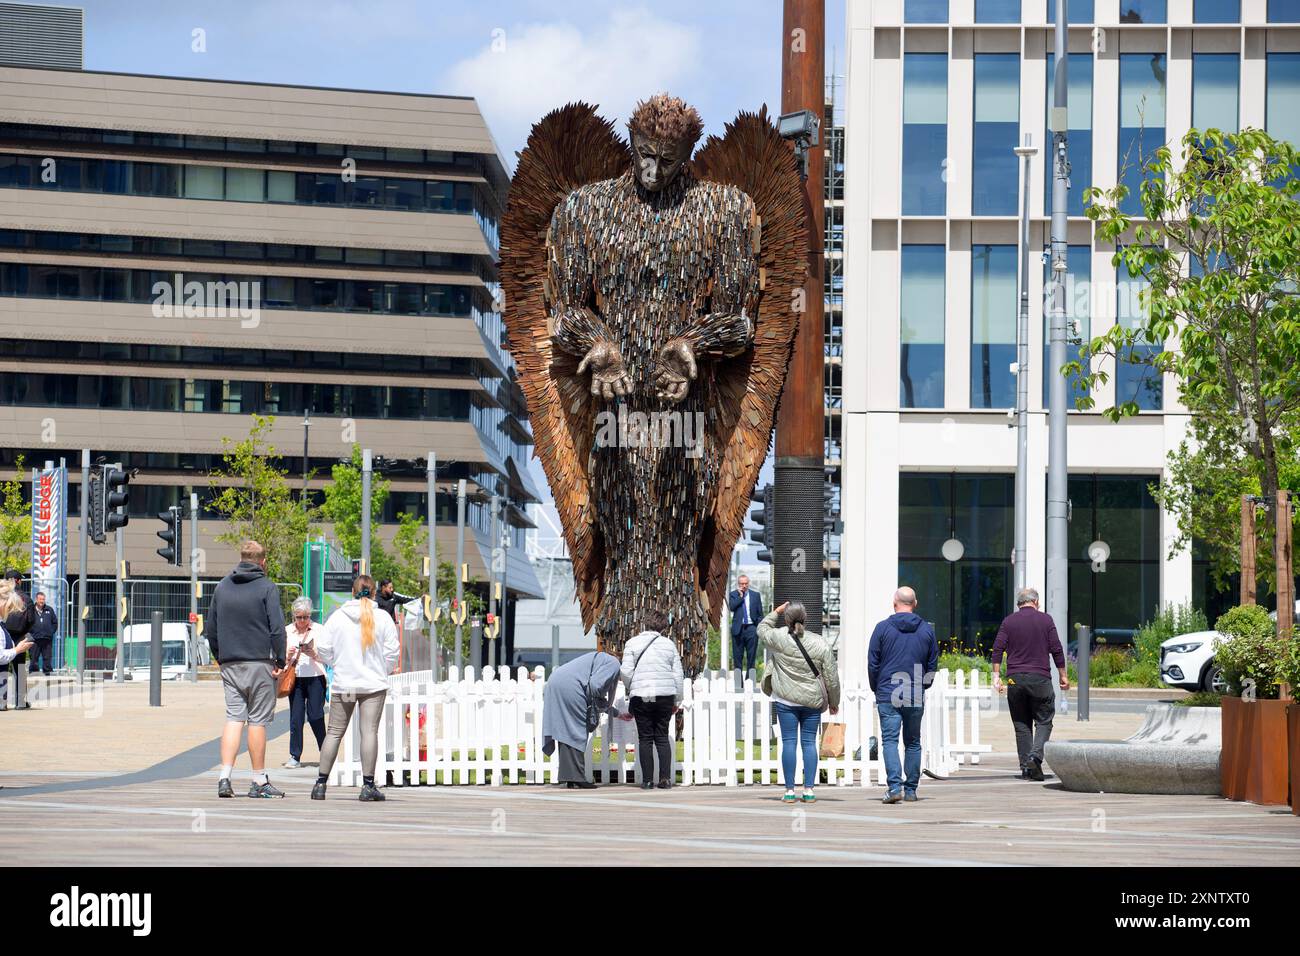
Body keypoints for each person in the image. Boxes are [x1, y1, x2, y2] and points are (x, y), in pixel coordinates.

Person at [208, 541, 287, 799]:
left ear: (241, 559)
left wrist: (220, 656)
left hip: (230, 662)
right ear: (262, 562)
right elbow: (276, 627)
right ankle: (259, 781)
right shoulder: (267, 587)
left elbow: (212, 627)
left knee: (234, 718)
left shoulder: (222, 587)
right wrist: (280, 660)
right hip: (259, 661)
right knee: (257, 721)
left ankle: (224, 777)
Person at [312, 575, 400, 802]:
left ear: (352, 592)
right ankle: (368, 785)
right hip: (372, 684)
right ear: (373, 593)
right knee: (369, 732)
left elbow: (322, 648)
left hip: (345, 683)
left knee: (334, 732)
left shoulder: (337, 617)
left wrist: (336, 663)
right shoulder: (382, 617)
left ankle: (320, 784)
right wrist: (382, 669)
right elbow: (392, 652)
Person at [758, 601, 840, 804]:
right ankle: (809, 790)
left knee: (788, 742)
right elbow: (831, 676)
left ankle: (789, 791)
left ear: (787, 619)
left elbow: (761, 629)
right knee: (809, 743)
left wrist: (775, 612)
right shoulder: (820, 643)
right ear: (805, 619)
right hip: (812, 701)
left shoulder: (779, 638)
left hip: (786, 699)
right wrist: (834, 701)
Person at [868, 586, 939, 804]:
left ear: (894, 602)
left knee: (890, 741)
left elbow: (873, 663)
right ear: (915, 603)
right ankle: (911, 790)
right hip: (914, 691)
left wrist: (876, 687)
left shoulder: (882, 629)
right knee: (913, 742)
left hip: (888, 691)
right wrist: (923, 686)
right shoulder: (927, 630)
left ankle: (894, 787)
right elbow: (932, 664)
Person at [991, 586, 1069, 781]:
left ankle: (1027, 767)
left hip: (1015, 679)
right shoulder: (1046, 620)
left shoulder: (1008, 621)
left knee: (1021, 724)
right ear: (1036, 602)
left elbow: (997, 649)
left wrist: (996, 677)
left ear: (1019, 604)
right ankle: (1035, 756)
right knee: (1044, 721)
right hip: (1040, 678)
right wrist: (1063, 675)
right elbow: (1056, 649)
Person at [620, 610, 684, 790]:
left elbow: (625, 671)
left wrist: (633, 684)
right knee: (662, 737)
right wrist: (677, 699)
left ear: (644, 624)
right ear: (663, 626)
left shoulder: (632, 643)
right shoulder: (669, 644)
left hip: (641, 695)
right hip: (665, 695)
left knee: (645, 738)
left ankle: (647, 780)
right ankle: (665, 779)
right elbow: (678, 675)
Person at [542, 650, 625, 789]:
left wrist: (616, 713)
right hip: (571, 687)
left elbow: (593, 690)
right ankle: (578, 778)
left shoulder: (601, 659)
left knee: (565, 731)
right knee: (577, 730)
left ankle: (569, 777)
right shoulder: (614, 663)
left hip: (556, 682)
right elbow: (595, 686)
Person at [282, 597, 327, 769]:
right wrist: (287, 655)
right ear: (294, 616)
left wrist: (313, 653)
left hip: (315, 676)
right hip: (296, 678)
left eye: (306, 617)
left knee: (316, 715)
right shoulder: (287, 631)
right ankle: (295, 755)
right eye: (299, 617)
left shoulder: (319, 630)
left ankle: (325, 751)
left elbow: (328, 656)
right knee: (296, 717)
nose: (302, 621)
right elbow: (280, 658)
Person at [1, 571, 34, 710]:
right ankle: (20, 702)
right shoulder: (25, 598)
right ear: (18, 581)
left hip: (4, 631)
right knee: (19, 670)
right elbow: (32, 620)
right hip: (19, 637)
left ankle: (2, 702)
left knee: (2, 669)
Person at [727, 574, 764, 675]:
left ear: (748, 583)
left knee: (751, 657)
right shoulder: (733, 594)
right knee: (737, 658)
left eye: (746, 583)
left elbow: (760, 613)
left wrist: (758, 626)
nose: (744, 586)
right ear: (738, 584)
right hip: (738, 629)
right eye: (742, 584)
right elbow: (732, 607)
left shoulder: (755, 595)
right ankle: (739, 684)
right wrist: (741, 596)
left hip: (751, 628)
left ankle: (749, 681)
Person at [28, 591, 57, 676]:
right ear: (36, 600)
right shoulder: (31, 610)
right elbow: (26, 623)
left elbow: (55, 623)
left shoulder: (49, 609)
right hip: (34, 638)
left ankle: (47, 672)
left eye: (43, 599)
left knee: (47, 657)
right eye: (40, 599)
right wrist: (29, 635)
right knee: (33, 656)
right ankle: (33, 672)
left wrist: (51, 632)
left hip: (46, 638)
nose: (42, 601)